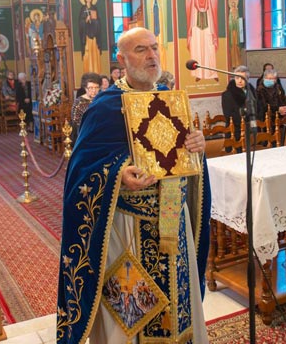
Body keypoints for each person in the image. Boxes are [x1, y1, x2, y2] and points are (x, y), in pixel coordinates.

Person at [56, 28, 211, 344]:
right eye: (141, 50)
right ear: (122, 59)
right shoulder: (104, 107)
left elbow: (184, 156)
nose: (152, 56)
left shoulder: (170, 97)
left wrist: (197, 145)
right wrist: (118, 174)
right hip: (129, 227)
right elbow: (81, 171)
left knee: (178, 304)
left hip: (173, 221)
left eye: (154, 48)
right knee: (132, 317)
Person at [221, 65, 254, 145]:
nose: (239, 81)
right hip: (235, 131)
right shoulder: (227, 94)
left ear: (247, 79)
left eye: (242, 78)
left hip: (251, 129)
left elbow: (257, 109)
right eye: (237, 78)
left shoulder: (252, 92)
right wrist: (245, 119)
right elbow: (228, 115)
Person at [70, 73, 101, 141]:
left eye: (96, 87)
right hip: (85, 136)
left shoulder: (101, 99)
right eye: (91, 88)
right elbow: (76, 125)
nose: (94, 90)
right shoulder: (79, 103)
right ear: (85, 88)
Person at [78, 0, 102, 74]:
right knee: (87, 52)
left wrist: (94, 20)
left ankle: (96, 71)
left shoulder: (94, 8)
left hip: (94, 35)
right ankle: (87, 72)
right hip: (86, 35)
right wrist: (86, 20)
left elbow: (98, 21)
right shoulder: (83, 9)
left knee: (95, 53)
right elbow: (80, 23)